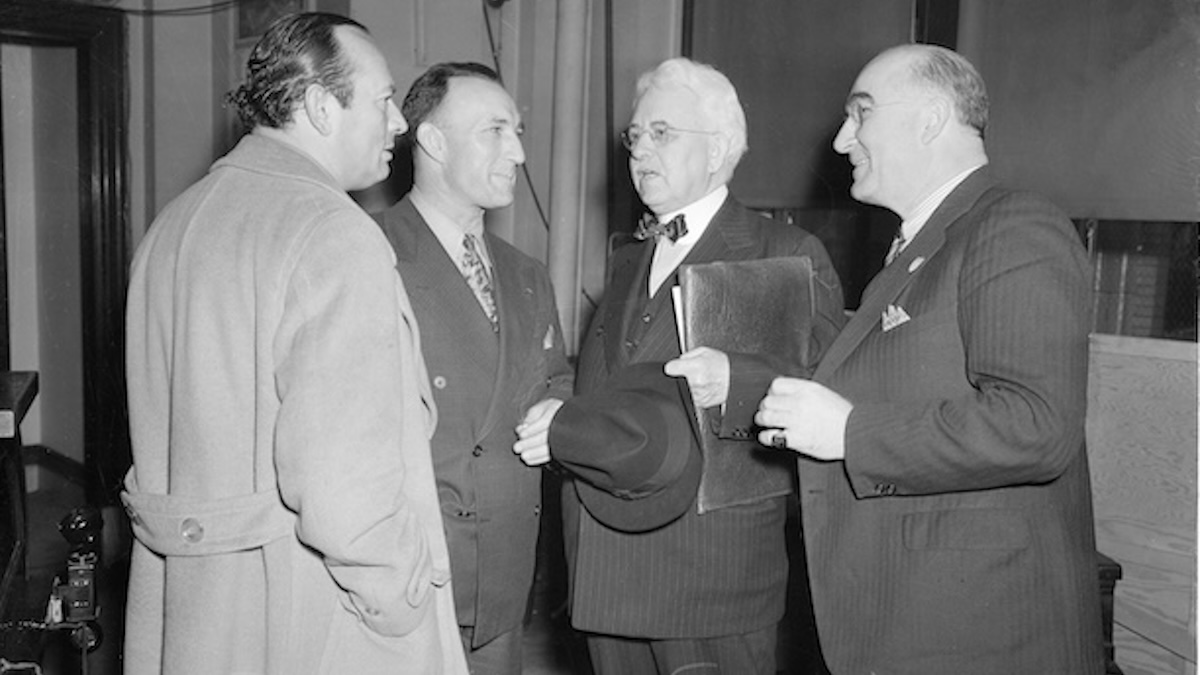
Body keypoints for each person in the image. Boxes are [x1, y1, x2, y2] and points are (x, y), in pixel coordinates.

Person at [121, 13, 467, 674]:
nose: (397, 122)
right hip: (303, 619)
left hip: (191, 619)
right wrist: (403, 600)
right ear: (317, 106)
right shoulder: (334, 233)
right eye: (383, 98)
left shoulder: (174, 223)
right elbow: (344, 492)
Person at [755, 44, 1105, 673]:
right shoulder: (920, 246)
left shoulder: (1014, 226)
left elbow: (1037, 425)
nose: (840, 141)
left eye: (860, 114)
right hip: (908, 621)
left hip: (979, 637)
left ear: (930, 119)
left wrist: (849, 432)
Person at [517, 57, 844, 675]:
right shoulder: (627, 259)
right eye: (634, 136)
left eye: (661, 133)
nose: (640, 150)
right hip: (605, 570)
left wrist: (739, 380)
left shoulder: (784, 253)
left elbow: (833, 385)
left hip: (710, 587)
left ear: (718, 148)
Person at [373, 62, 573, 675]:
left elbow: (554, 376)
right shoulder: (369, 253)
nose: (516, 150)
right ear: (431, 141)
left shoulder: (525, 272)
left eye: (516, 131)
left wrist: (559, 408)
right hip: (413, 582)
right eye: (494, 131)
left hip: (505, 586)